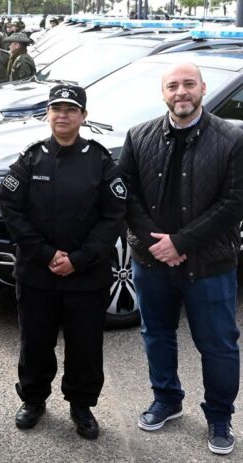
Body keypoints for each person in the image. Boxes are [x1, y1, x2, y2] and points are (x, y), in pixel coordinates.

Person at [119, 62, 243, 456]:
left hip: (209, 264)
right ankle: (167, 399)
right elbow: (125, 194)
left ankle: (219, 416)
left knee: (218, 343)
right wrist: (156, 243)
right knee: (156, 333)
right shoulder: (139, 136)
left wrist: (182, 242)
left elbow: (235, 201)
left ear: (203, 88)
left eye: (189, 84)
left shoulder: (232, 138)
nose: (181, 92)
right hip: (151, 260)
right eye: (173, 86)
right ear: (163, 93)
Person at [0, 85, 126, 440]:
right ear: (48, 114)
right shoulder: (31, 158)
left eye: (71, 109)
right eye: (57, 108)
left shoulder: (99, 160)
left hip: (86, 275)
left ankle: (81, 405)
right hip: (37, 273)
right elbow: (11, 207)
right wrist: (45, 253)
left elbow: (114, 216)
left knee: (85, 346)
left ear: (83, 116)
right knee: (35, 343)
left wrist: (79, 259)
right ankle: (33, 399)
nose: (63, 115)